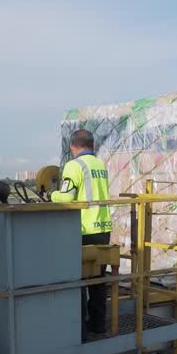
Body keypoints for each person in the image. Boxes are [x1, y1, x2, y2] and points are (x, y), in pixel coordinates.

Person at [52, 129, 113, 335]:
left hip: (84, 230)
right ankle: (98, 325)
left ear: (72, 146)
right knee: (98, 280)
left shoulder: (74, 165)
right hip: (103, 228)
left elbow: (67, 197)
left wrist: (52, 195)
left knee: (76, 279)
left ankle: (78, 330)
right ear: (91, 145)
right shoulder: (100, 165)